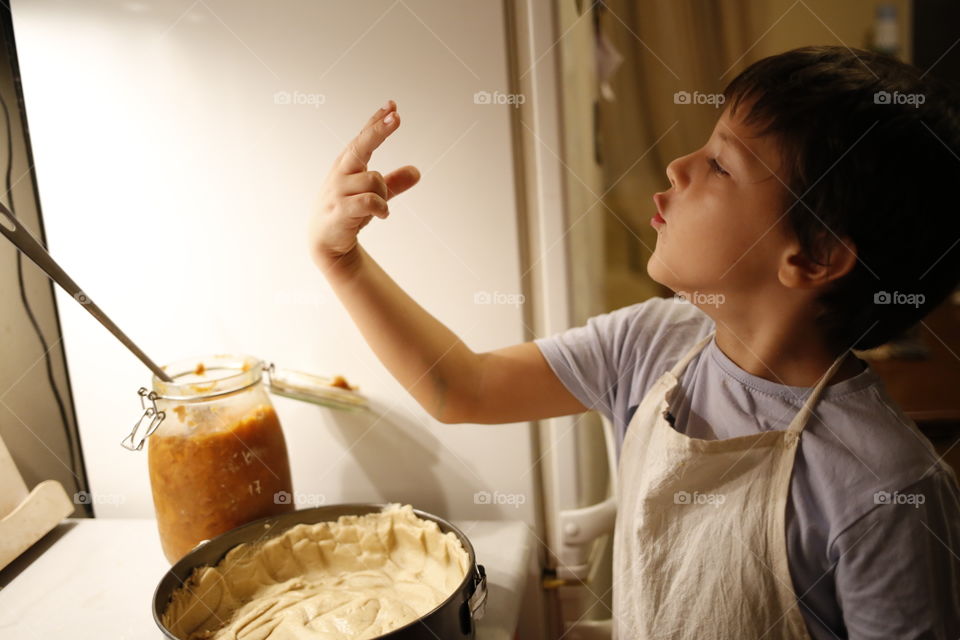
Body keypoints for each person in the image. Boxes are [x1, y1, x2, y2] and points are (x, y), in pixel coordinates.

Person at [309, 46, 960, 639]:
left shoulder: (887, 487)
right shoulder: (652, 340)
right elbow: (462, 388)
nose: (677, 168)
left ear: (814, 257)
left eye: (720, 165)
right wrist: (342, 261)